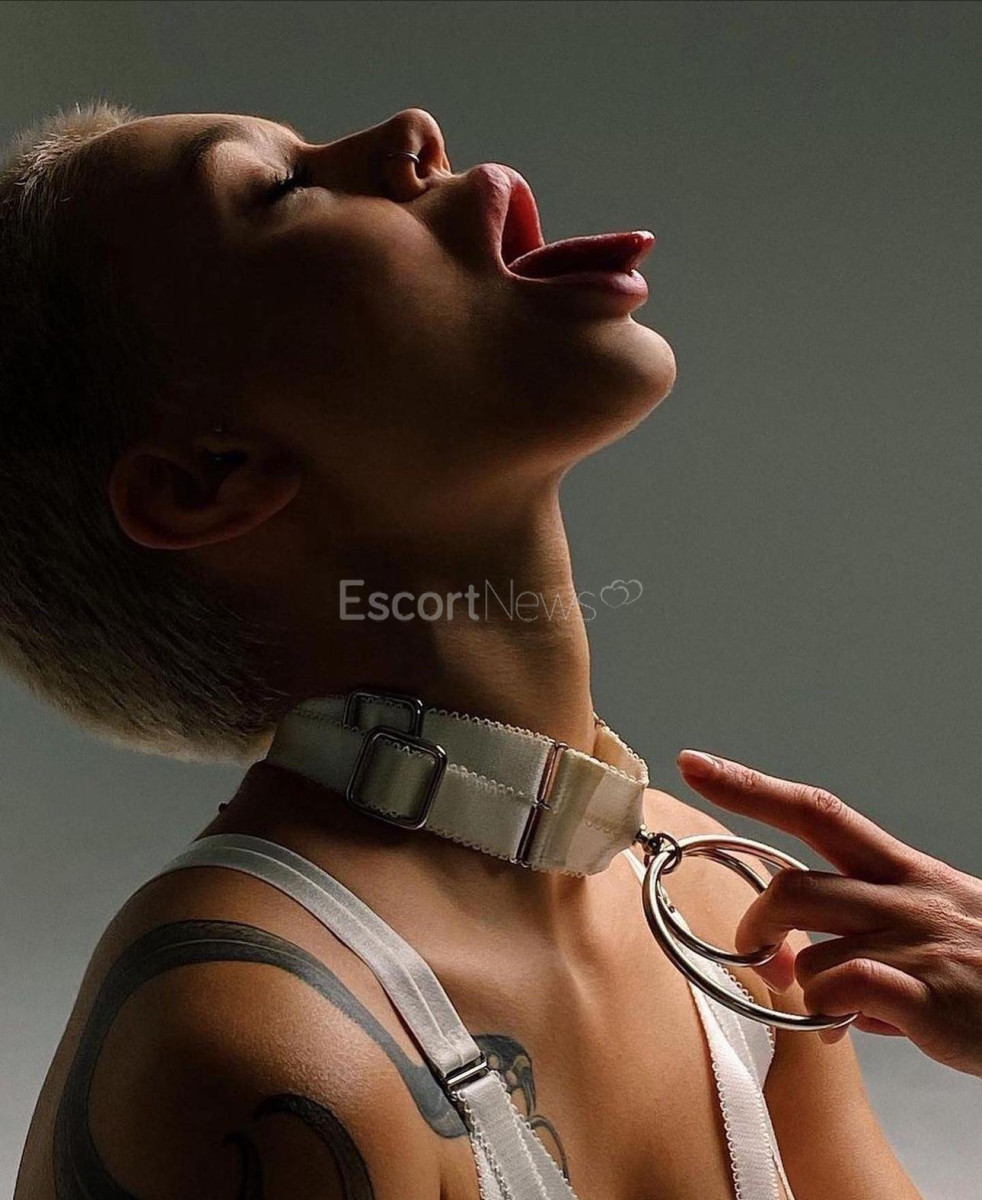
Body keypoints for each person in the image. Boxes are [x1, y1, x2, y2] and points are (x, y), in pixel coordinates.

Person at [4, 101, 934, 1200]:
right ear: (209, 479)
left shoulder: (727, 914)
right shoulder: (260, 1049)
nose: (412, 130)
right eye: (279, 190)